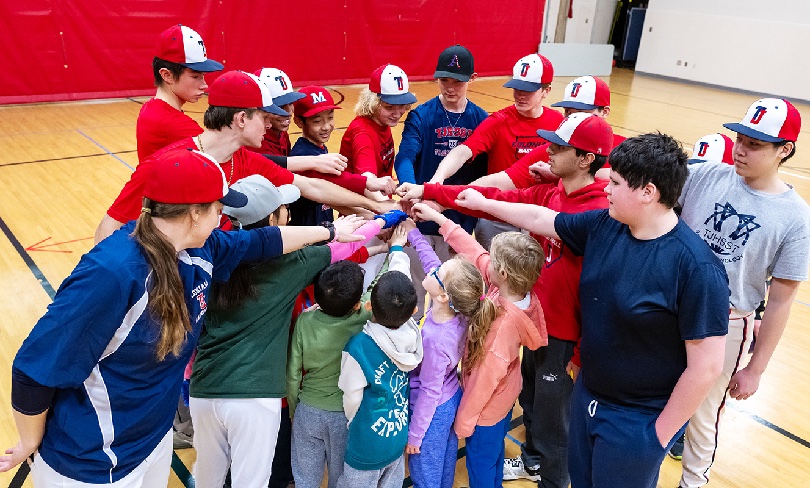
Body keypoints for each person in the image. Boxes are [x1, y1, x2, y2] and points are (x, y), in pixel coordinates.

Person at [0, 148, 361, 486]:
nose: (224, 216)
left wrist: (331, 232)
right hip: (91, 463)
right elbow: (34, 370)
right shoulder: (112, 274)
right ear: (195, 212)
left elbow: (262, 241)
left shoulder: (201, 248)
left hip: (151, 442)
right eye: (220, 207)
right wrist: (31, 441)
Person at [450, 133, 730, 488]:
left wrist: (657, 436)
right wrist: (484, 202)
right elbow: (540, 217)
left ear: (648, 192)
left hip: (637, 420)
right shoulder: (606, 226)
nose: (606, 188)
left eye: (614, 182)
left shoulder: (695, 268)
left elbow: (706, 367)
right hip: (588, 397)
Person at [400, 112, 613, 487]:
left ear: (586, 159)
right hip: (533, 322)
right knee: (532, 405)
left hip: (562, 337)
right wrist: (432, 195)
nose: (548, 149)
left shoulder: (595, 212)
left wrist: (582, 352)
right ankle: (532, 463)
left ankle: (551, 479)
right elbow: (494, 200)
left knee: (553, 425)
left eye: (560, 146)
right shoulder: (553, 190)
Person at [190, 175, 401, 488]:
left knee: (209, 479)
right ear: (274, 218)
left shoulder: (215, 250)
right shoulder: (292, 262)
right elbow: (349, 243)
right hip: (253, 395)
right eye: (284, 207)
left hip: (204, 389)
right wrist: (391, 216)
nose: (289, 211)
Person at [95, 70, 396, 244]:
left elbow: (309, 186)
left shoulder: (244, 160)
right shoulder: (168, 164)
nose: (270, 124)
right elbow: (108, 228)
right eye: (264, 116)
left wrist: (375, 205)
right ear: (241, 119)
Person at [677, 99, 809, 488]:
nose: (740, 149)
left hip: (724, 325)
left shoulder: (795, 218)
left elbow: (782, 299)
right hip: (668, 310)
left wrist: (756, 368)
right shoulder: (705, 175)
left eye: (754, 144)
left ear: (784, 150)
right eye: (740, 138)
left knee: (702, 415)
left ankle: (692, 482)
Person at [410, 202, 546, 488]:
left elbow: (480, 386)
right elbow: (474, 251)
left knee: (481, 465)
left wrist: (462, 424)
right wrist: (437, 218)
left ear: (503, 273)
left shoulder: (499, 333)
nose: (487, 260)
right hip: (502, 398)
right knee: (493, 458)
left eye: (493, 260)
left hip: (485, 411)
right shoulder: (510, 291)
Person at [427, 53, 563, 248]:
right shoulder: (499, 121)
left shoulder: (558, 124)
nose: (520, 95)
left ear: (546, 90)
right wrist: (437, 179)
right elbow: (463, 151)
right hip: (497, 216)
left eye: (528, 90)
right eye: (517, 89)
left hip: (540, 216)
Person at [393, 44, 489, 314]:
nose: (450, 87)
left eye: (457, 81)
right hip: (420, 217)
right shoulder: (421, 115)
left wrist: (468, 219)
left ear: (472, 78)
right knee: (413, 299)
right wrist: (411, 190)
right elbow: (406, 156)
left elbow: (484, 176)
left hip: (457, 223)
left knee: (450, 303)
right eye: (444, 80)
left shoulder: (481, 120)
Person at [404, 219, 494, 488]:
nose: (433, 271)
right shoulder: (456, 309)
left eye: (439, 273)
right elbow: (434, 265)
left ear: (444, 296)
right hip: (451, 398)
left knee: (425, 475)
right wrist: (415, 234)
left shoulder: (435, 339)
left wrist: (416, 436)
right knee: (443, 465)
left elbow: (429, 391)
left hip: (432, 413)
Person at [336, 225, 424, 488]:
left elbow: (351, 397)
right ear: (414, 310)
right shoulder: (413, 329)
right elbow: (401, 284)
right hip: (397, 436)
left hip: (366, 443)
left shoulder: (359, 346)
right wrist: (397, 249)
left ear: (369, 306)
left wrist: (354, 422)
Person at [286, 258, 385, 488]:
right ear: (355, 304)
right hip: (346, 415)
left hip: (308, 411)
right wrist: (394, 249)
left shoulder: (305, 320)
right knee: (341, 478)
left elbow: (293, 374)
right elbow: (379, 291)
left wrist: (294, 411)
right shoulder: (363, 318)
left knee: (305, 478)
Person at [471, 75, 623, 191]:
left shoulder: (628, 152)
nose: (573, 119)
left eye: (582, 112)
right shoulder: (556, 149)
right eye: (568, 112)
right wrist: (451, 195)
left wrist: (562, 176)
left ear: (605, 112)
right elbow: (501, 180)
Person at [136, 24, 223, 162]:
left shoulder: (151, 107)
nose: (204, 85)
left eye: (203, 76)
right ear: (167, 75)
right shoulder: (175, 125)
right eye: (195, 77)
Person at [339, 64, 417, 179]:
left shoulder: (381, 122)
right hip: (365, 196)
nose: (397, 114)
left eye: (401, 105)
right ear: (373, 103)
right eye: (389, 107)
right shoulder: (363, 134)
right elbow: (367, 179)